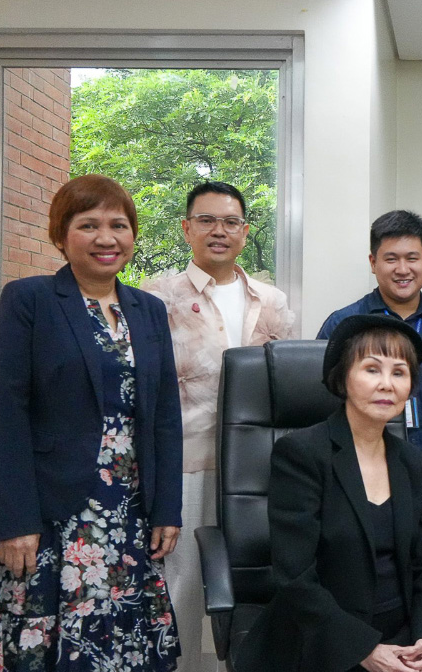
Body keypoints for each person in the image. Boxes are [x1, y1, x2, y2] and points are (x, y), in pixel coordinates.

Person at [0, 174, 183, 671]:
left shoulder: (149, 310)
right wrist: (14, 519)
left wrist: (166, 507)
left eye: (119, 225)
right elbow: (4, 416)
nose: (106, 238)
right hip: (51, 512)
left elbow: (165, 418)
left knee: (124, 642)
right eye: (88, 225)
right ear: (60, 235)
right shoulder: (30, 300)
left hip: (130, 509)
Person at [235, 315, 422, 672]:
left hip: (402, 628)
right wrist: (364, 649)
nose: (387, 385)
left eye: (400, 372)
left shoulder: (410, 460)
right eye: (372, 370)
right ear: (344, 377)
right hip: (324, 632)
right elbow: (294, 576)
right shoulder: (302, 453)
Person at [140, 180, 295, 668]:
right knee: (181, 579)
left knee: (250, 576)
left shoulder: (271, 300)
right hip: (186, 462)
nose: (218, 231)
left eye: (230, 222)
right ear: (187, 229)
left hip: (257, 469)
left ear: (245, 232)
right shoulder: (154, 298)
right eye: (206, 220)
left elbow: (287, 384)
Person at [316, 211, 422, 566]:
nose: (402, 269)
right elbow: (324, 406)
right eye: (391, 258)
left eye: (412, 258)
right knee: (371, 583)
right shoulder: (344, 325)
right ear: (373, 263)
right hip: (362, 484)